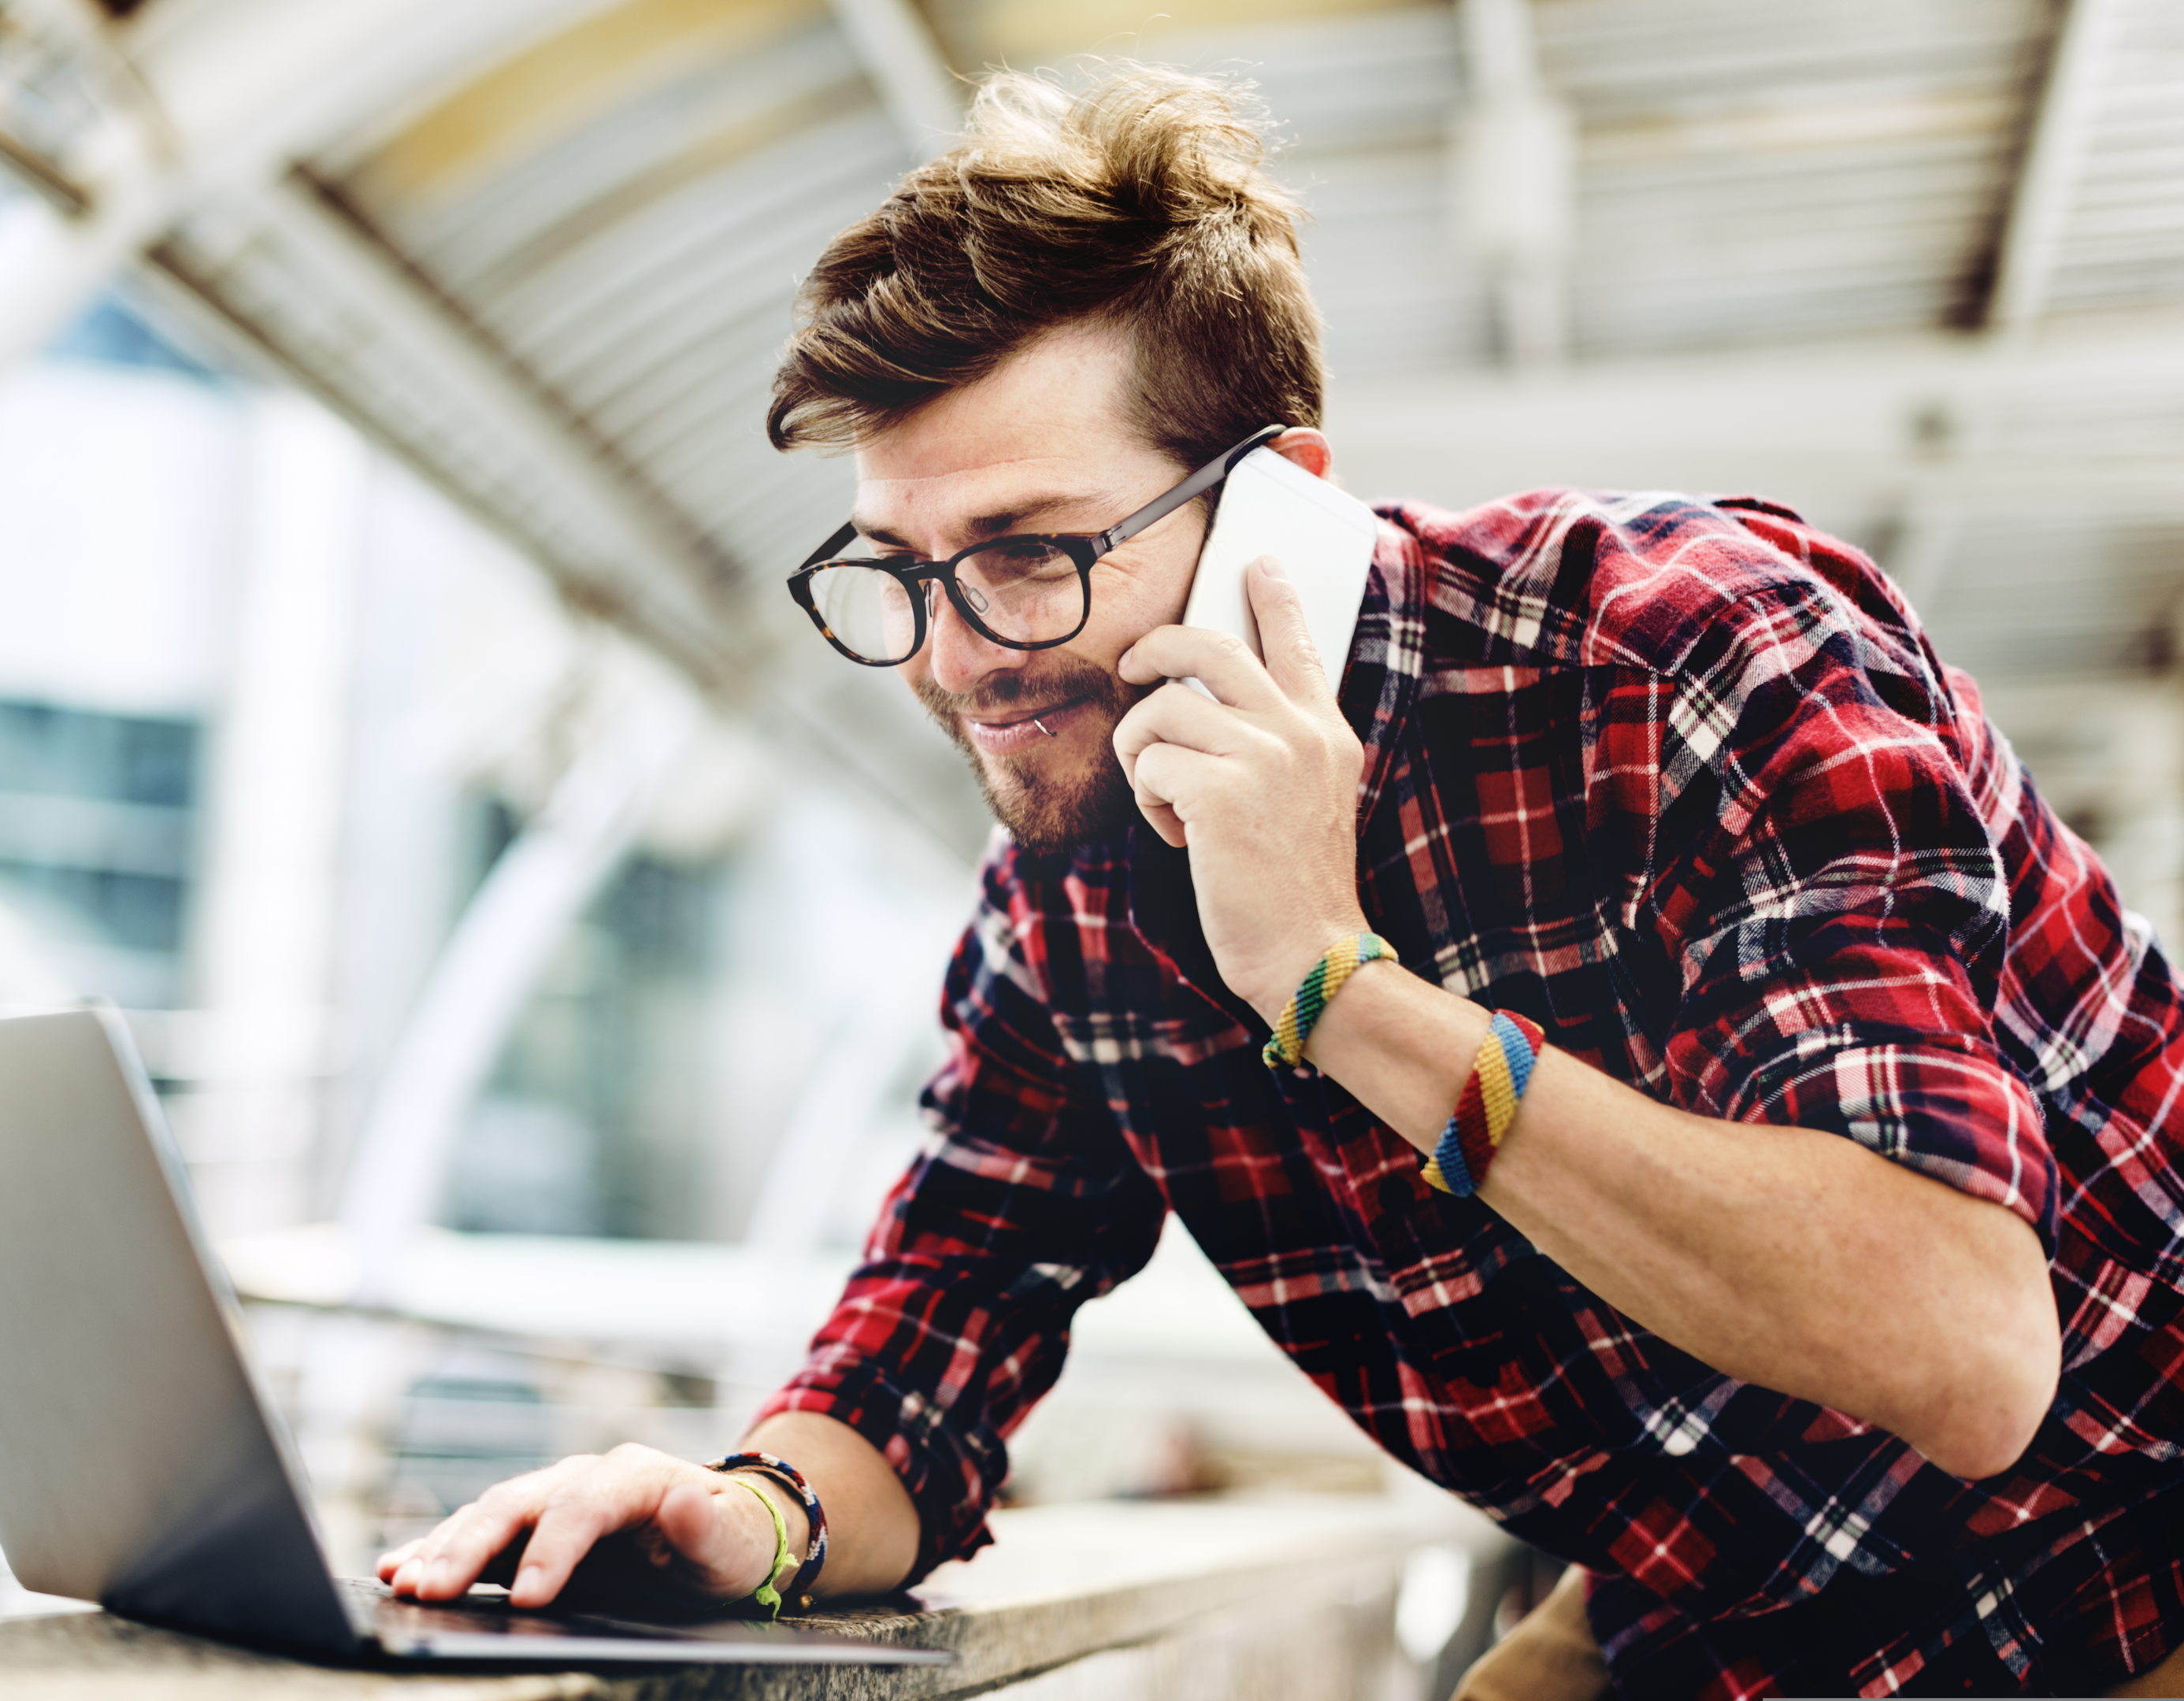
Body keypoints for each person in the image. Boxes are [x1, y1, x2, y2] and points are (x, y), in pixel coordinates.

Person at [378, 66, 2184, 1698]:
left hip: (2119, 1560)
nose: (957, 658)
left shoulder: (1686, 652)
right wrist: (739, 1518)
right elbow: (923, 1360)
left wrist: (1332, 983)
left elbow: (1959, 1349)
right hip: (1731, 1604)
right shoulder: (1068, 899)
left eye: (1027, 555)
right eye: (901, 572)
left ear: (1277, 504)